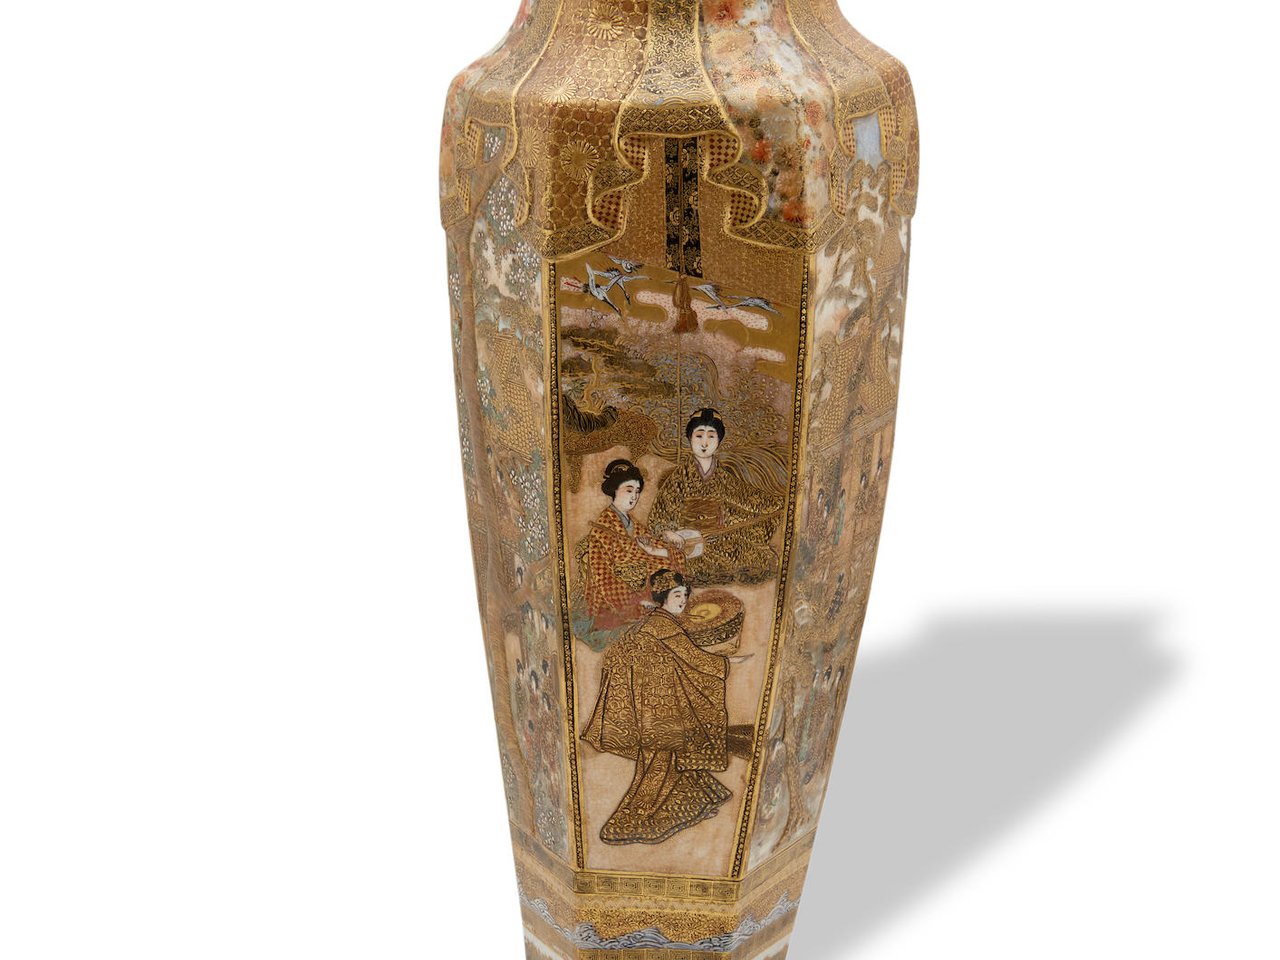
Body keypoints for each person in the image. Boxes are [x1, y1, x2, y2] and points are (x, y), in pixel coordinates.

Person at [580, 570, 739, 844]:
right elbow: (695, 659)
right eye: (677, 595)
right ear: (663, 597)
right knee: (657, 764)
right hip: (658, 711)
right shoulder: (662, 626)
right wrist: (728, 663)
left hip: (655, 705)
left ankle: (695, 802)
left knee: (669, 759)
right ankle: (630, 821)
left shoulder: (653, 622)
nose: (683, 600)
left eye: (685, 595)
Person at [648, 408, 783, 584]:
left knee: (761, 559)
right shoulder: (679, 477)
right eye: (699, 435)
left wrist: (778, 503)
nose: (704, 443)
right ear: (690, 438)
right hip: (688, 542)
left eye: (711, 436)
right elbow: (659, 514)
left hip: (717, 538)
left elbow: (748, 497)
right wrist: (670, 533)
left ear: (719, 440)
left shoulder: (722, 477)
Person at [579, 459, 685, 633]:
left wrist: (664, 548)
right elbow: (604, 577)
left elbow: (654, 546)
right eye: (629, 490)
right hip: (614, 599)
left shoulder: (635, 526)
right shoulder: (602, 529)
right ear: (614, 490)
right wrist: (636, 602)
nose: (634, 496)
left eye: (637, 491)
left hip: (643, 591)